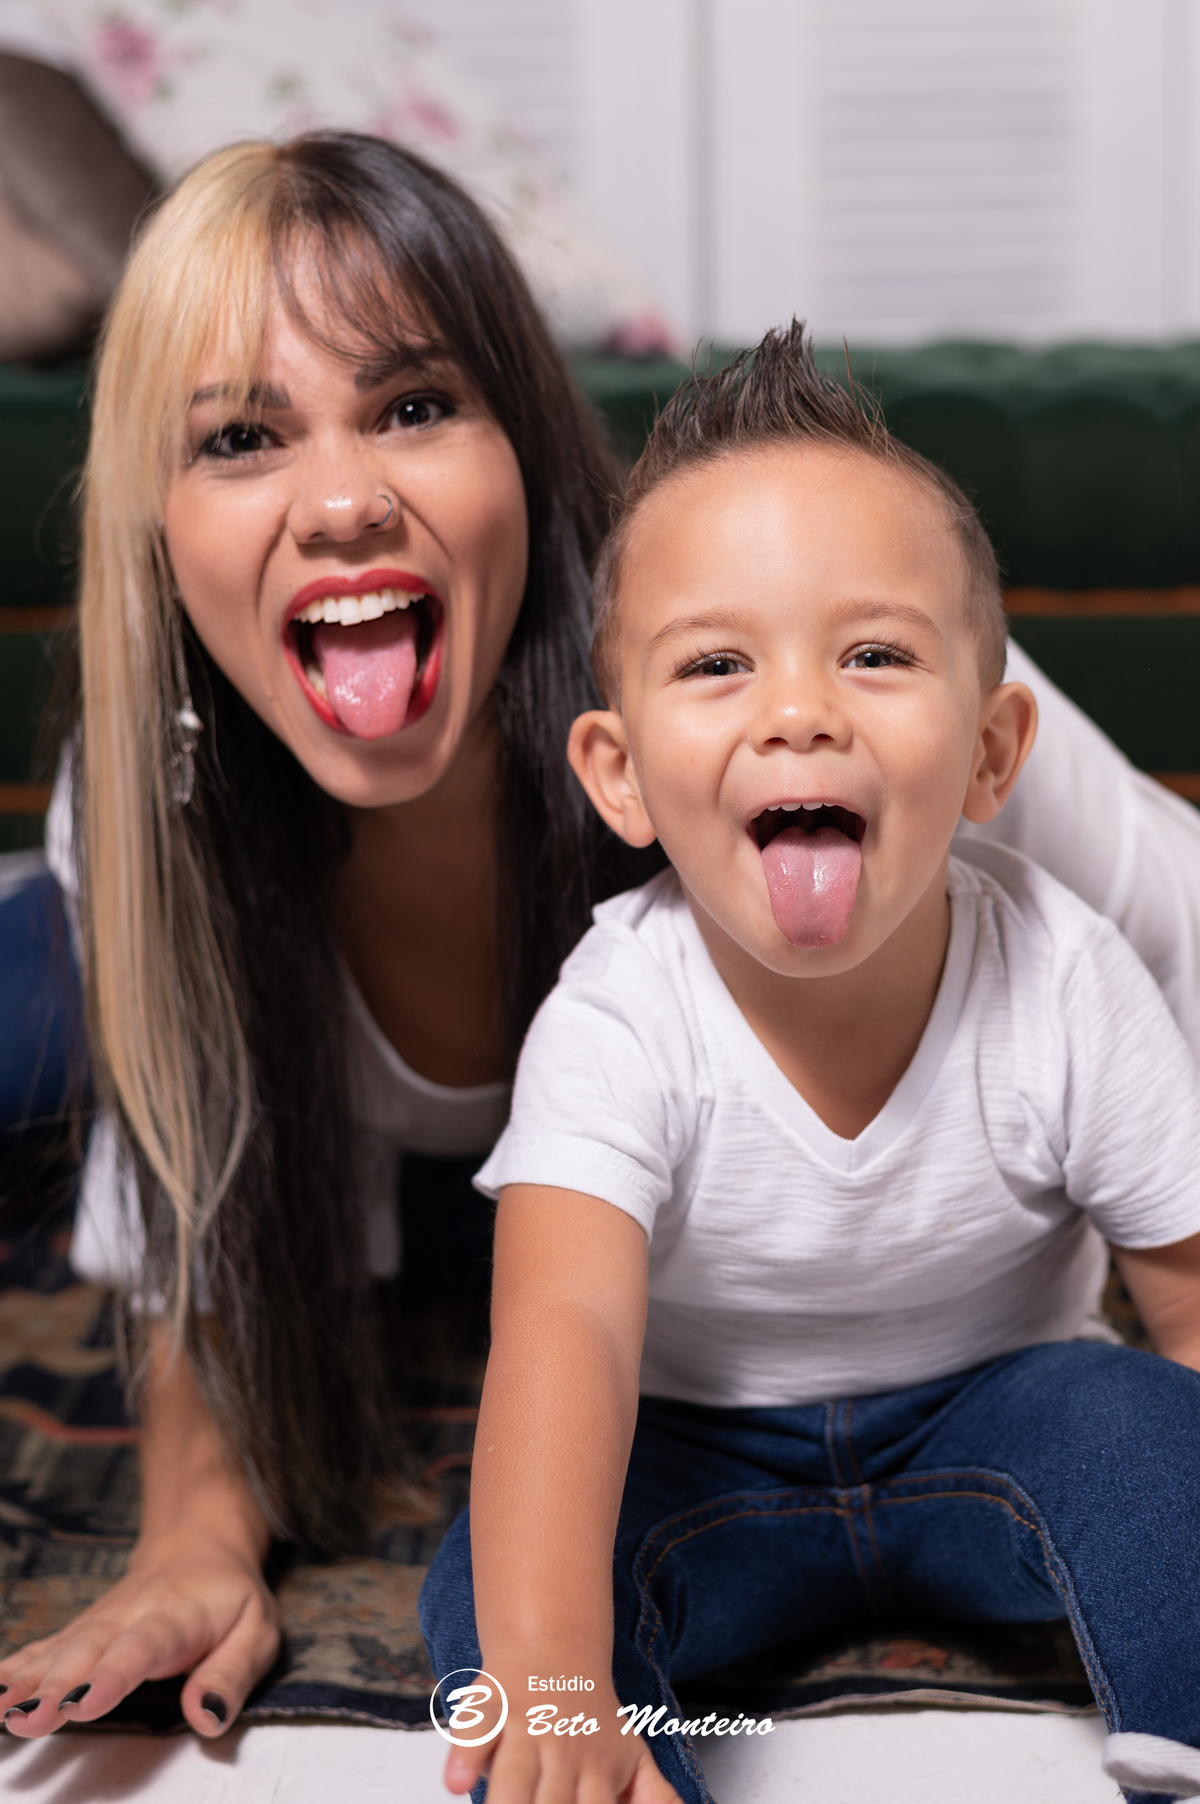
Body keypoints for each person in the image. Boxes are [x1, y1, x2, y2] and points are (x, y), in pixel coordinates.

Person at [419, 327, 1200, 1804]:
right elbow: (566, 1336)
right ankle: (613, 1772)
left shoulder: (1069, 975)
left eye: (874, 653)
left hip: (1007, 1421)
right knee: (494, 1593)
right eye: (717, 664)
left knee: (1162, 1434)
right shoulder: (615, 1016)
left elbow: (1188, 1300)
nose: (799, 709)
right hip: (698, 1460)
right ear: (622, 777)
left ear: (988, 751)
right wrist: (556, 1676)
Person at [0, 129, 654, 1740]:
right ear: (157, 524)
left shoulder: (746, 701)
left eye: (417, 406)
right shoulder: (152, 815)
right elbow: (192, 1195)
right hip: (104, 987)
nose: (346, 498)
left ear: (527, 446)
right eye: (240, 436)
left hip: (497, 1202)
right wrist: (196, 1541)